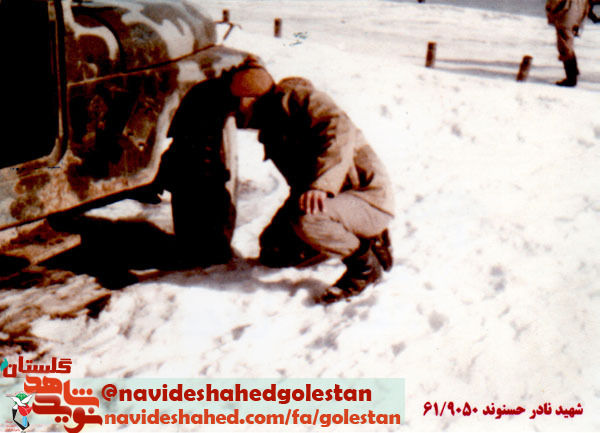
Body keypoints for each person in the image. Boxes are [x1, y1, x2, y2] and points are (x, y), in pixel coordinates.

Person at [228, 63, 395, 304]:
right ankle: (360, 236)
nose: (234, 113)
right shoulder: (274, 122)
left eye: (235, 104)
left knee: (309, 220)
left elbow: (338, 129)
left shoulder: (300, 101)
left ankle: (364, 269)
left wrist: (321, 186)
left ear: (248, 99)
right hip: (333, 201)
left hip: (366, 198)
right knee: (275, 252)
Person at [545, 0, 590, 87]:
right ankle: (573, 72)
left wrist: (551, 11)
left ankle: (571, 77)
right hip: (578, 10)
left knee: (564, 45)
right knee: (567, 43)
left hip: (567, 12)